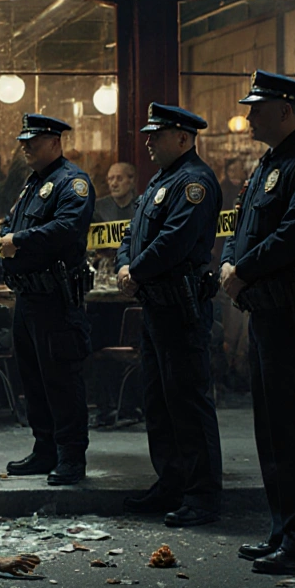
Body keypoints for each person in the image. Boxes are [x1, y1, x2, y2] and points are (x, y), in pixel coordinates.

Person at [220, 71, 295, 575]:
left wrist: (241, 269)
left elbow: (293, 235)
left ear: (286, 111)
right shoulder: (271, 161)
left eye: (257, 108)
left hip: (294, 315)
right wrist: (230, 261)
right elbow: (242, 225)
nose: (248, 116)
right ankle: (283, 532)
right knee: (271, 432)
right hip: (267, 312)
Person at [115, 104, 223, 528]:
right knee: (158, 401)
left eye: (156, 135)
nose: (147, 141)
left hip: (181, 307)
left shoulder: (194, 182)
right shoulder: (162, 180)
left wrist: (134, 270)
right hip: (157, 305)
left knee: (188, 402)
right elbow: (132, 232)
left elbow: (175, 240)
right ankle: (172, 483)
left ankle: (202, 494)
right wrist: (127, 263)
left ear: (183, 138)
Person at [0, 114, 96, 486]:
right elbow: (12, 222)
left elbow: (68, 228)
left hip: (56, 299)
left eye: (33, 141)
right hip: (29, 296)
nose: (25, 147)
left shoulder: (72, 183)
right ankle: (45, 450)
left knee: (61, 379)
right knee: (34, 378)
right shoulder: (35, 183)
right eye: (24, 141)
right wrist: (9, 235)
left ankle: (71, 456)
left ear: (55, 142)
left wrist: (19, 242)